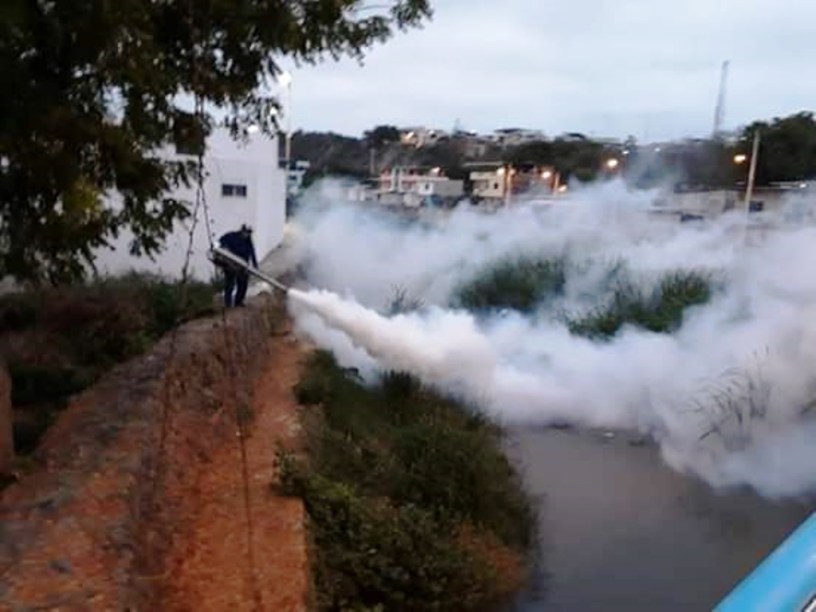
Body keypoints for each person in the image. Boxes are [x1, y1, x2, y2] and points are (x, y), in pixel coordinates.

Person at [218, 224, 258, 307]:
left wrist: (255, 265)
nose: (247, 235)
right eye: (246, 232)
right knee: (230, 284)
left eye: (249, 233)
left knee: (243, 284)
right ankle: (228, 304)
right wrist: (224, 248)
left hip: (242, 266)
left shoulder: (248, 241)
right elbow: (221, 241)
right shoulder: (231, 236)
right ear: (242, 231)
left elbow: (252, 253)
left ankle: (238, 302)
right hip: (230, 264)